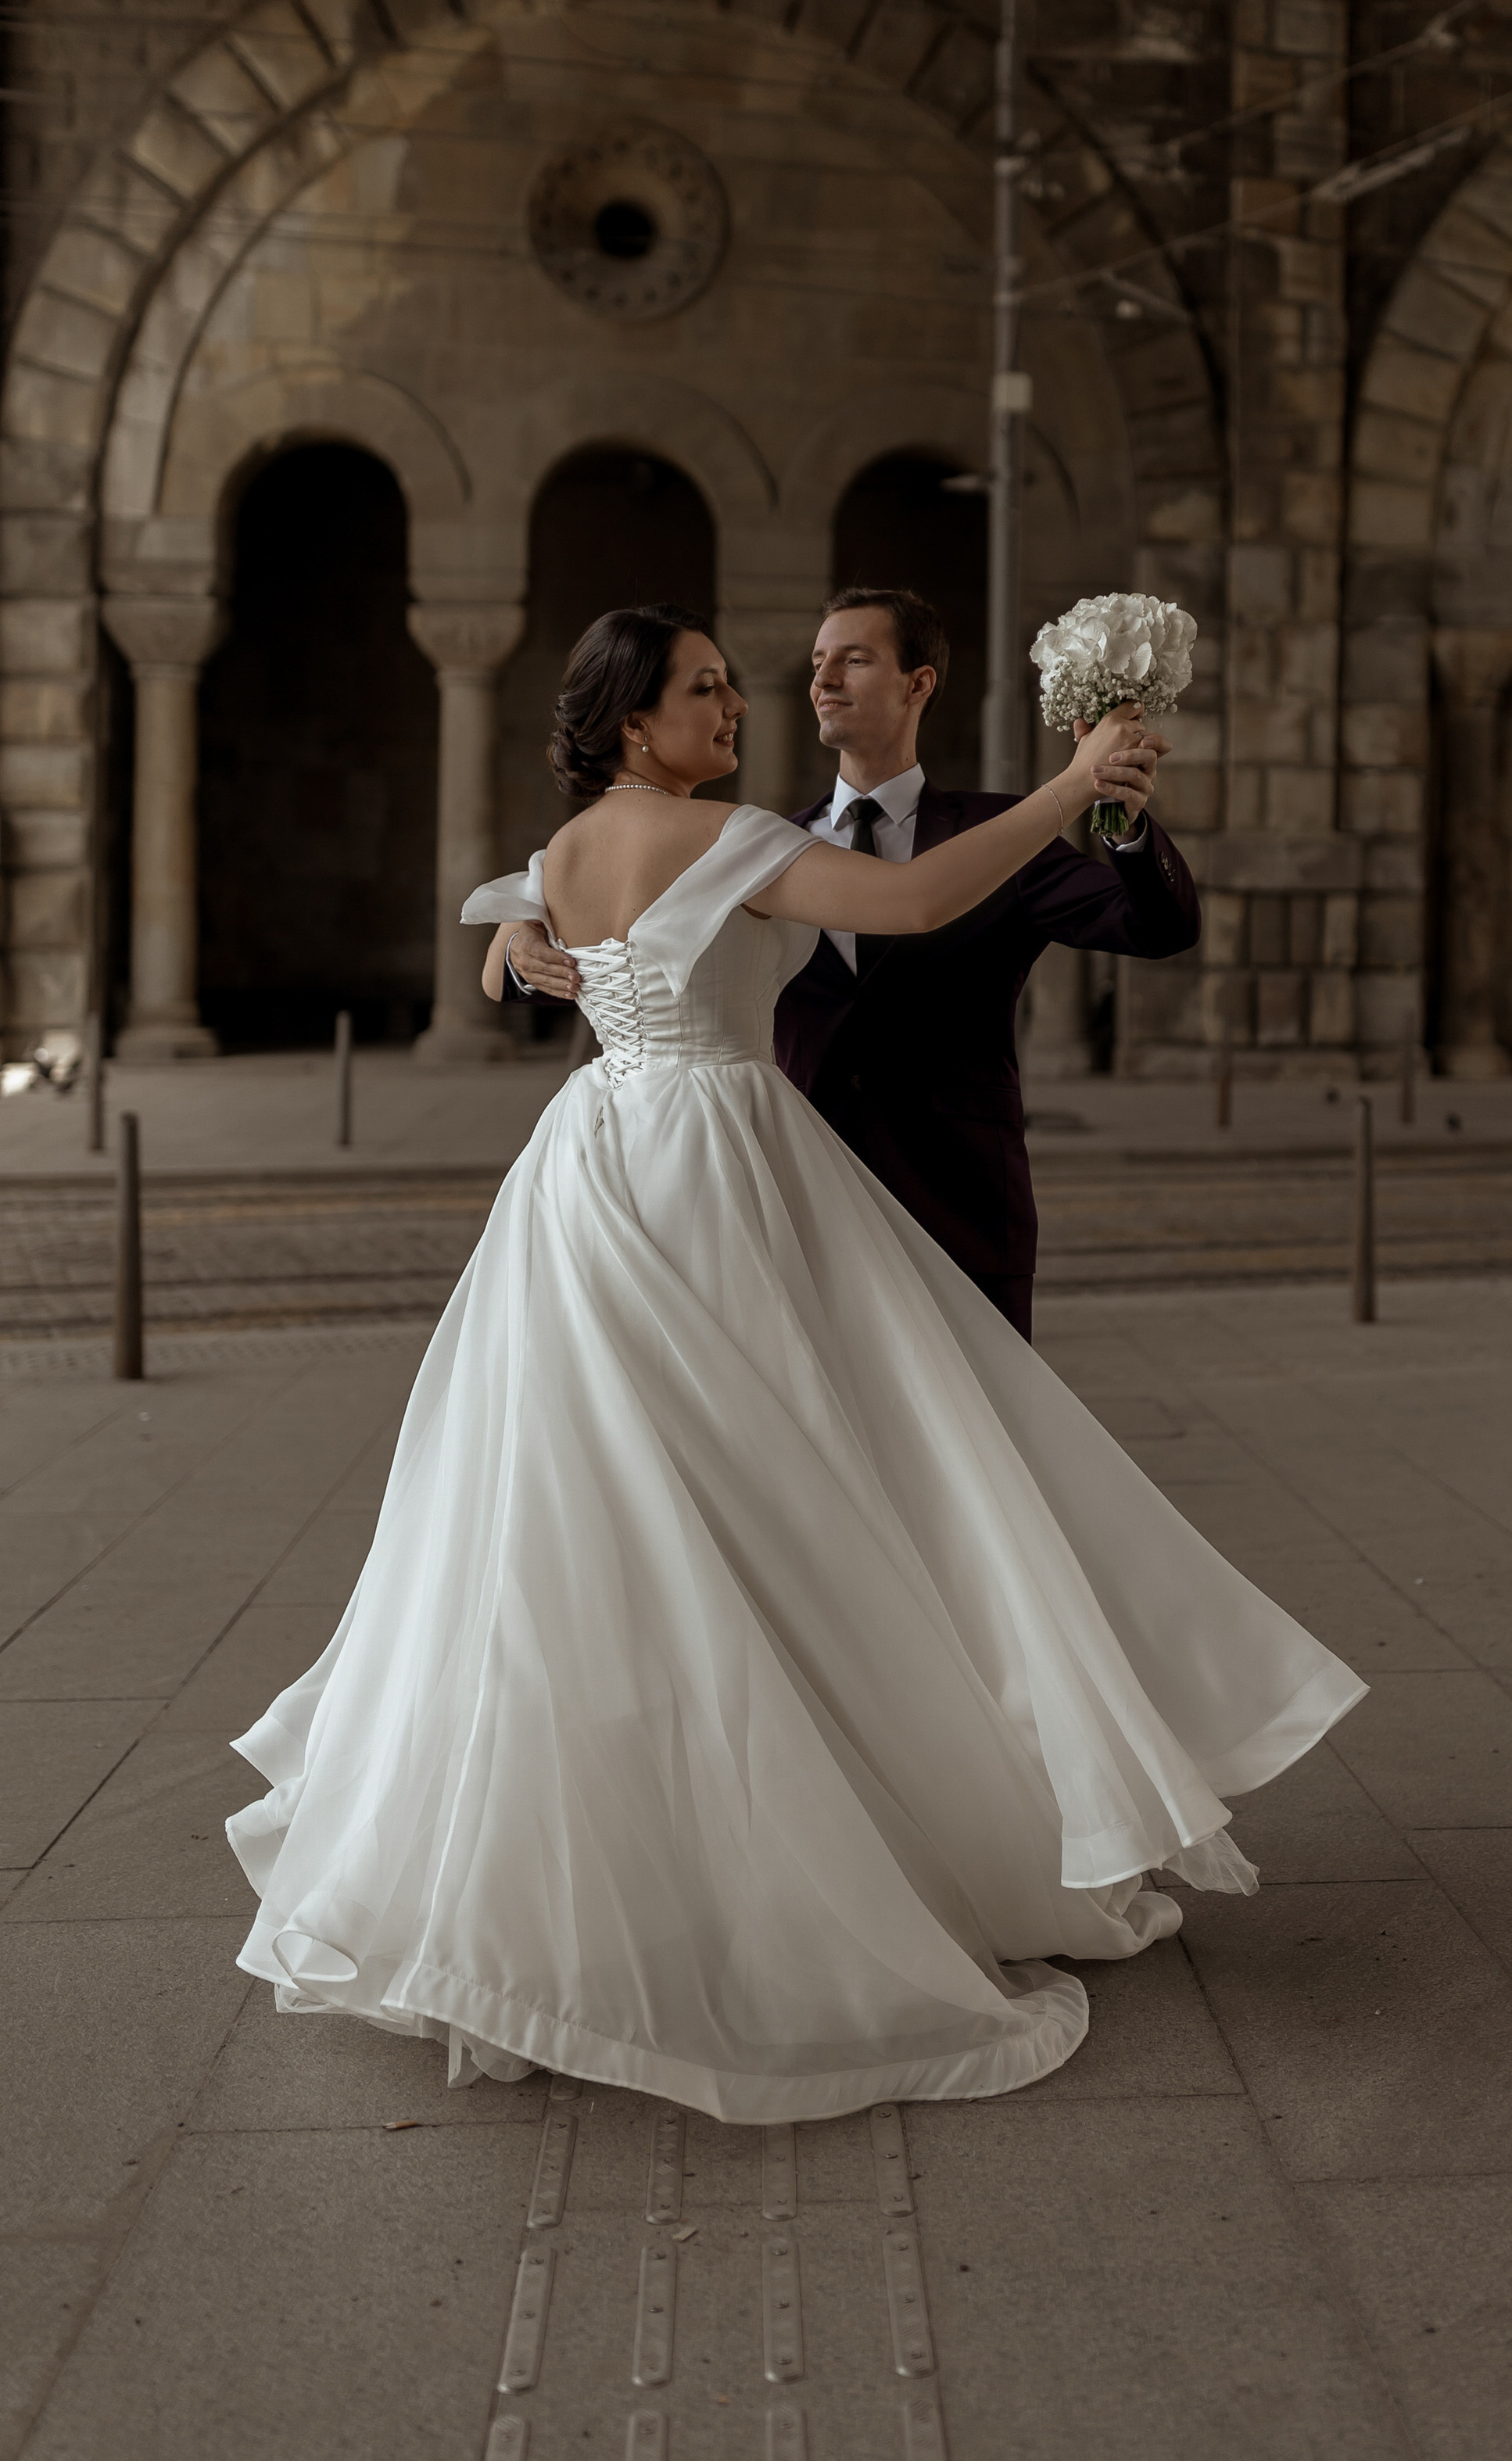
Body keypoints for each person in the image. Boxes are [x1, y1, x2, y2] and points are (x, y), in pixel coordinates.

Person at [226, 604, 1364, 2123]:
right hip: (714, 1167)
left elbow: (518, 921)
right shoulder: (731, 837)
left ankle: (595, 1872)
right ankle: (801, 1846)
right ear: (635, 723)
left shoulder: (570, 844)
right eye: (704, 690)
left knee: (595, 1524)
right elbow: (905, 903)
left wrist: (512, 950)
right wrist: (1066, 778)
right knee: (804, 1498)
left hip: (588, 1173)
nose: (738, 706)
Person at [507, 586, 1199, 1337]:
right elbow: (613, 971)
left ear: (918, 684)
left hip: (955, 1195)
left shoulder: (1001, 835)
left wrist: (1121, 826)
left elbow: (1156, 928)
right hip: (784, 1195)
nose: (822, 680)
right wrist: (522, 939)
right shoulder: (753, 840)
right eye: (816, 662)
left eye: (854, 659)